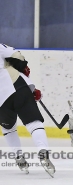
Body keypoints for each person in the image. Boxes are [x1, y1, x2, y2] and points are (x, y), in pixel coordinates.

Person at [0, 43, 55, 177]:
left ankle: (19, 158)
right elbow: (16, 55)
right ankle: (43, 153)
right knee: (34, 123)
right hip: (17, 86)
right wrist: (22, 68)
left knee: (8, 129)